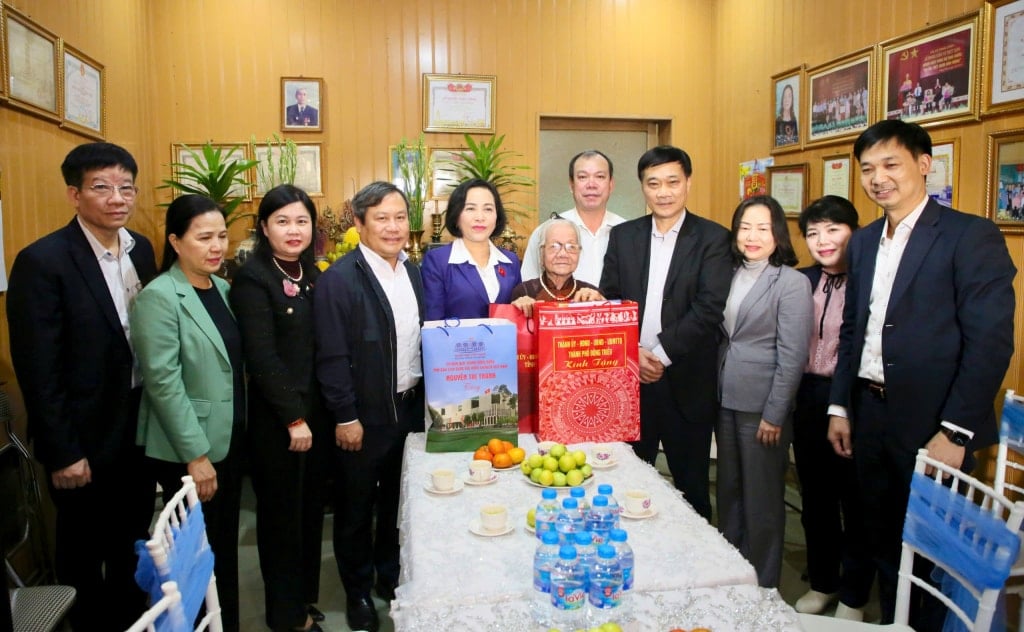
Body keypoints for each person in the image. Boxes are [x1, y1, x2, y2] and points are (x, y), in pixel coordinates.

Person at [827, 120, 1016, 628]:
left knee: (932, 554)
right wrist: (841, 404)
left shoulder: (969, 236)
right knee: (882, 539)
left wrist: (956, 430)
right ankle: (896, 624)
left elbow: (990, 343)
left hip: (935, 425)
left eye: (891, 164)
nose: (878, 178)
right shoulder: (865, 242)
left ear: (924, 164)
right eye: (868, 169)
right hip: (869, 414)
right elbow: (854, 331)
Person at [6, 142, 157, 630]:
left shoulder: (142, 249)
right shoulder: (43, 262)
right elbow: (38, 369)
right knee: (84, 546)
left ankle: (129, 618)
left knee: (132, 535)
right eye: (102, 187)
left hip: (137, 420)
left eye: (126, 187)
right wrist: (63, 450)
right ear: (74, 194)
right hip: (83, 435)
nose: (117, 198)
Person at [600, 145, 733, 521]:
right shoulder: (624, 236)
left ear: (687, 183)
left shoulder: (713, 238)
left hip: (686, 381)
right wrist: (633, 353)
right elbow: (611, 301)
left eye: (672, 182)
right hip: (630, 379)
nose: (663, 192)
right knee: (627, 480)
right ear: (642, 187)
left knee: (691, 486)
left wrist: (658, 354)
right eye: (653, 183)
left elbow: (709, 308)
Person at [314, 181, 424, 632]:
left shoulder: (413, 271)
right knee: (357, 509)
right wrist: (345, 416)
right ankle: (357, 591)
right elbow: (332, 356)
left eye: (400, 217)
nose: (393, 227)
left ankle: (389, 575)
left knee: (401, 504)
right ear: (359, 224)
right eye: (381, 218)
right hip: (363, 416)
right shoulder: (339, 279)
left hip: (410, 410)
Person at [131, 194, 244, 632]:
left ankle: (225, 622)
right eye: (204, 238)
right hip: (189, 448)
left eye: (221, 236)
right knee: (194, 560)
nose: (216, 246)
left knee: (221, 549)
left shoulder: (223, 288)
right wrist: (195, 456)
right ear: (176, 241)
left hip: (228, 438)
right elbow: (163, 382)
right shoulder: (160, 297)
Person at [229, 185, 327, 632]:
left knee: (308, 515)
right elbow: (261, 358)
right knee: (281, 520)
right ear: (264, 227)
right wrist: (293, 416)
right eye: (282, 221)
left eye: (301, 221)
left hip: (315, 416)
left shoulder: (311, 272)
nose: (293, 230)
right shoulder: (253, 279)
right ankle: (285, 616)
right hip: (281, 422)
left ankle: (304, 599)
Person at [716, 195, 812, 588]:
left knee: (763, 500)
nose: (752, 236)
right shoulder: (729, 272)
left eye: (762, 228)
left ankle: (765, 582)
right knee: (729, 490)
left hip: (762, 407)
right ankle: (732, 571)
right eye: (744, 227)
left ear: (778, 234)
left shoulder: (792, 283)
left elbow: (793, 355)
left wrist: (775, 413)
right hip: (724, 397)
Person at [791, 196, 874, 620]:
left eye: (833, 229)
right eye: (812, 232)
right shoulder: (800, 280)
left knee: (854, 498)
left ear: (853, 232)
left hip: (855, 400)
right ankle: (822, 581)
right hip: (806, 395)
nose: (822, 240)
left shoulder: (871, 280)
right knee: (816, 496)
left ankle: (854, 594)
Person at [520, 150, 626, 286]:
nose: (591, 184)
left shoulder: (627, 232)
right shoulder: (547, 231)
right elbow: (529, 287)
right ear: (571, 185)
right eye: (582, 177)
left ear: (611, 184)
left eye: (600, 177)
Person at [421, 178, 521, 320]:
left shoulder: (511, 261)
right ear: (456, 216)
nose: (480, 217)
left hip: (503, 342)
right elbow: (433, 322)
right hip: (458, 343)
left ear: (497, 216)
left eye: (488, 209)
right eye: (470, 208)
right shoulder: (438, 261)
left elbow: (517, 315)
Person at [510, 218, 603, 317]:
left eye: (571, 247)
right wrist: (517, 309)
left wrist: (603, 304)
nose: (563, 254)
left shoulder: (591, 294)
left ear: (579, 253)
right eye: (554, 246)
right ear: (542, 253)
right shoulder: (524, 291)